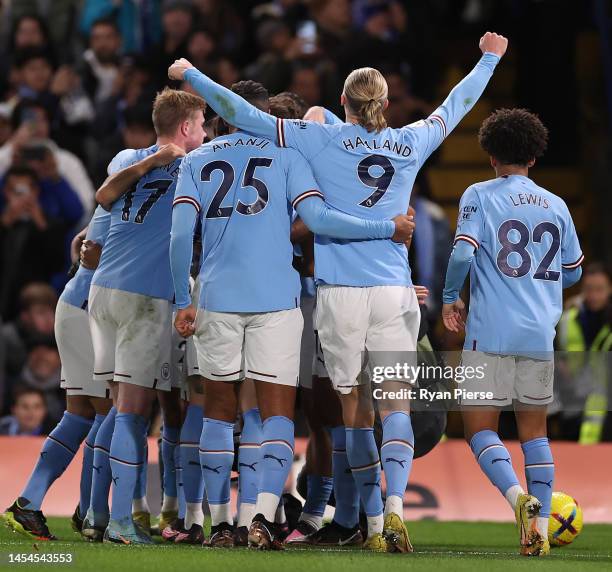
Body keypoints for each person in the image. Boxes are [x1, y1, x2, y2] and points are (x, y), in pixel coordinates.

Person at [169, 30, 507, 553]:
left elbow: (243, 114)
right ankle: (392, 512)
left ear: (342, 102)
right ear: (386, 104)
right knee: (394, 405)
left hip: (340, 293)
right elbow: (455, 106)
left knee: (354, 412)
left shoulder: (318, 139)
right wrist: (488, 60)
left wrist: (191, 76)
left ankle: (370, 523)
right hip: (396, 290)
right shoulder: (412, 140)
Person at [169, 79, 414, 549]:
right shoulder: (289, 157)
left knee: (218, 411)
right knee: (278, 414)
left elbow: (181, 239)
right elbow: (319, 221)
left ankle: (220, 523)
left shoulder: (197, 161)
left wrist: (185, 298)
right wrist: (387, 227)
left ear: (222, 118)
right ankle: (261, 517)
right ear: (269, 119)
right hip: (278, 299)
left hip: (217, 296)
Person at [441, 108, 583, 557]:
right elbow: (573, 273)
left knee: (480, 428)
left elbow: (464, 253)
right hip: (540, 332)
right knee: (535, 432)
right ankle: (539, 528)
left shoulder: (480, 194)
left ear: (489, 154)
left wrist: (450, 296)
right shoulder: (557, 205)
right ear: (535, 158)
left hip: (492, 332)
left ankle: (515, 498)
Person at [88, 88, 206, 545]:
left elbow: (104, 197)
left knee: (119, 409)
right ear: (184, 128)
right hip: (143, 298)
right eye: (200, 125)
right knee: (132, 414)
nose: (205, 133)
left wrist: (146, 163)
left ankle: (100, 515)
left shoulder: (125, 156)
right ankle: (120, 521)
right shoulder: (193, 166)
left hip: (104, 294)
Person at [1, 207, 113, 541]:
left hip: (74, 302)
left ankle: (32, 503)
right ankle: (92, 510)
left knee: (81, 414)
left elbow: (81, 241)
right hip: (91, 311)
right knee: (112, 413)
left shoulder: (114, 201)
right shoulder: (138, 201)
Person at [0, 168, 68, 318]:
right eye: (15, 191)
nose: (21, 197)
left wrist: (41, 225)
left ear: (36, 191)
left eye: (24, 190)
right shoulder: (3, 221)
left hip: (35, 299)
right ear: (6, 192)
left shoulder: (51, 225)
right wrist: (4, 224)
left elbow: (57, 264)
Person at [557, 263, 611, 443]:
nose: (594, 295)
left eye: (600, 289)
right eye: (589, 289)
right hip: (573, 400)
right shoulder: (568, 318)